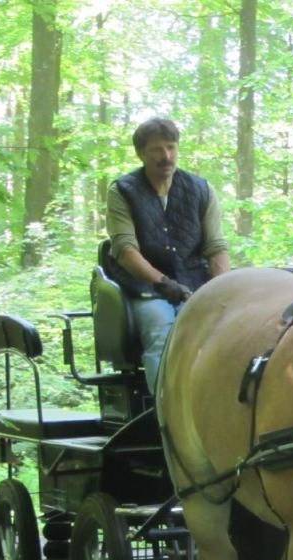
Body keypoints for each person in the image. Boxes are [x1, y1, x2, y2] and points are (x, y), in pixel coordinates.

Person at [105, 116, 231, 393]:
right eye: (157, 150)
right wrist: (163, 282)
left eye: (171, 147)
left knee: (210, 331)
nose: (166, 156)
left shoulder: (201, 190)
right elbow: (125, 250)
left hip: (193, 284)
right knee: (160, 329)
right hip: (145, 288)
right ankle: (164, 411)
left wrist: (222, 289)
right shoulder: (122, 191)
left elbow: (216, 247)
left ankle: (208, 404)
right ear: (141, 153)